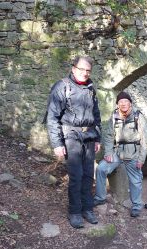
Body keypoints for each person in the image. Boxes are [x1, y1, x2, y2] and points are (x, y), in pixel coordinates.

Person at [46, 56, 101, 229]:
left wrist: (97, 137)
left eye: (88, 70)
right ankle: (75, 211)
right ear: (73, 68)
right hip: (71, 137)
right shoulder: (62, 86)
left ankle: (87, 209)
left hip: (90, 137)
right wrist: (57, 143)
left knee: (87, 175)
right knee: (76, 176)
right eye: (82, 69)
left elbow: (97, 115)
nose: (85, 73)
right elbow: (52, 117)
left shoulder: (91, 88)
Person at [94, 91, 147, 218]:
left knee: (135, 181)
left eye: (126, 101)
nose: (123, 104)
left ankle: (136, 205)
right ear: (117, 104)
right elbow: (108, 136)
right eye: (120, 102)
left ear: (130, 103)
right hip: (117, 152)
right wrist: (108, 152)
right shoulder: (114, 116)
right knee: (101, 168)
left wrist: (141, 159)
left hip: (133, 154)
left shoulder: (138, 117)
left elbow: (145, 140)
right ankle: (100, 197)